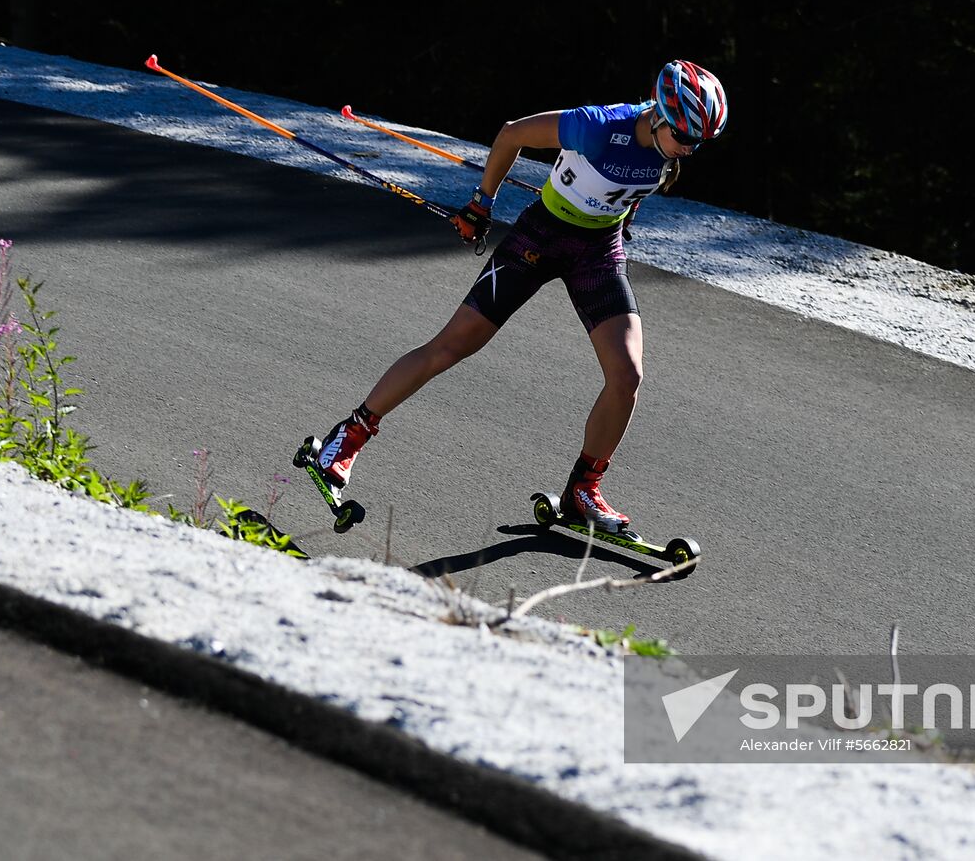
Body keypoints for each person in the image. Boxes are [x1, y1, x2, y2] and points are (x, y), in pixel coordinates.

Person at [309, 60, 728, 533]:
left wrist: (620, 214)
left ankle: (582, 491)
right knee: (451, 345)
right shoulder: (597, 126)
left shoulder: (669, 145)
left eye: (699, 142)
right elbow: (511, 134)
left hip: (598, 251)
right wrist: (481, 203)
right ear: (658, 115)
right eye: (685, 137)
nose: (690, 149)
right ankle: (347, 438)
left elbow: (631, 187)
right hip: (540, 238)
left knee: (627, 375)